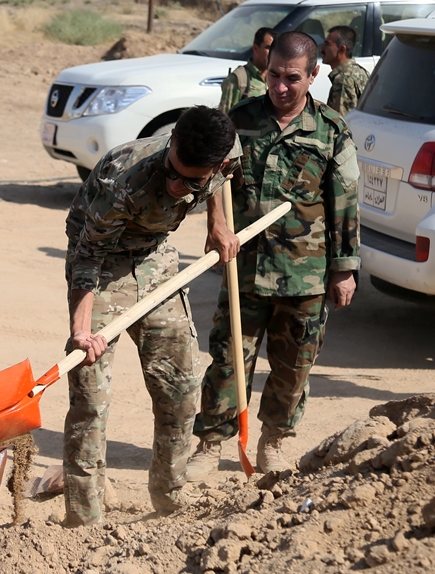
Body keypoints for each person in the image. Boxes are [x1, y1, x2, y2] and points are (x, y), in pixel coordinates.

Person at [188, 31, 359, 478]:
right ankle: (210, 444)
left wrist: (344, 269)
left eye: (293, 78)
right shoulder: (239, 121)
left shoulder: (331, 131)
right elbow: (212, 177)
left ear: (314, 75)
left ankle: (274, 442)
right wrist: (216, 223)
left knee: (294, 365)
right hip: (244, 267)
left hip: (305, 273)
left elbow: (345, 202)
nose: (281, 87)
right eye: (274, 76)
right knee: (227, 360)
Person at [61, 105, 242, 527]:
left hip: (156, 256)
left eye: (190, 181)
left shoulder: (228, 151)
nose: (178, 186)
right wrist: (81, 330)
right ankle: (82, 521)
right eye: (172, 173)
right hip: (102, 264)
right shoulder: (124, 179)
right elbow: (88, 255)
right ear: (171, 141)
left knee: (179, 387)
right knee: (90, 397)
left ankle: (168, 502)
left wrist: (215, 224)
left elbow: (222, 179)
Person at [219, 27, 274, 114]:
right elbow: (224, 117)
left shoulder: (277, 78)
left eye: (275, 48)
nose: (272, 53)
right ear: (256, 48)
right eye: (268, 48)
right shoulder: (238, 79)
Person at [321, 25, 368, 116]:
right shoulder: (361, 72)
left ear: (341, 50)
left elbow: (341, 123)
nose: (322, 48)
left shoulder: (343, 79)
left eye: (327, 44)